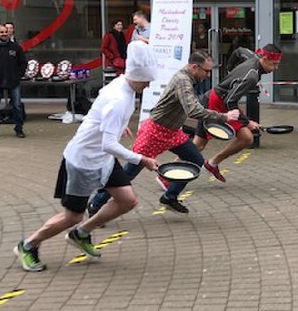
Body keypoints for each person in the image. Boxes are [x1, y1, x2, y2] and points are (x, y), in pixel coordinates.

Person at [13, 41, 159, 272]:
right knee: (72, 216)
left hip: (103, 159)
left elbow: (100, 113)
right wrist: (141, 160)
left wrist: (118, 126)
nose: (149, 84)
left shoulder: (124, 84)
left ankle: (81, 233)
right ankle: (28, 244)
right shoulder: (118, 99)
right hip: (82, 161)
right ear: (135, 75)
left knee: (128, 200)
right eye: (147, 80)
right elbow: (109, 144)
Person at [88, 50, 239, 216]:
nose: (208, 75)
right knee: (130, 172)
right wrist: (224, 117)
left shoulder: (188, 78)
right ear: (195, 67)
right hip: (155, 132)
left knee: (195, 160)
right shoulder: (183, 80)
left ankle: (170, 196)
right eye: (206, 71)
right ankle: (96, 204)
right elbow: (193, 110)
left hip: (172, 132)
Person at [198, 45, 283, 182]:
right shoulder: (252, 77)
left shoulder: (252, 57)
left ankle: (212, 163)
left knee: (246, 138)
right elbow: (229, 101)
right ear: (265, 59)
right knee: (199, 145)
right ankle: (167, 175)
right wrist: (247, 122)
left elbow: (239, 51)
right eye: (274, 64)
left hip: (223, 102)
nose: (276, 68)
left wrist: (230, 70)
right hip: (215, 102)